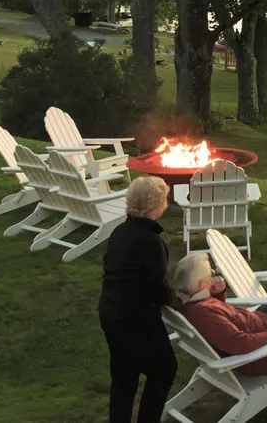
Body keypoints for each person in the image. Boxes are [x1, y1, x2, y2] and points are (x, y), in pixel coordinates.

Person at [99, 176, 178, 423]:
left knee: (124, 376)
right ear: (157, 204)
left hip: (110, 312)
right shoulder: (151, 241)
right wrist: (181, 301)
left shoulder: (120, 232)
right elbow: (157, 288)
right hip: (136, 319)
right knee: (164, 369)